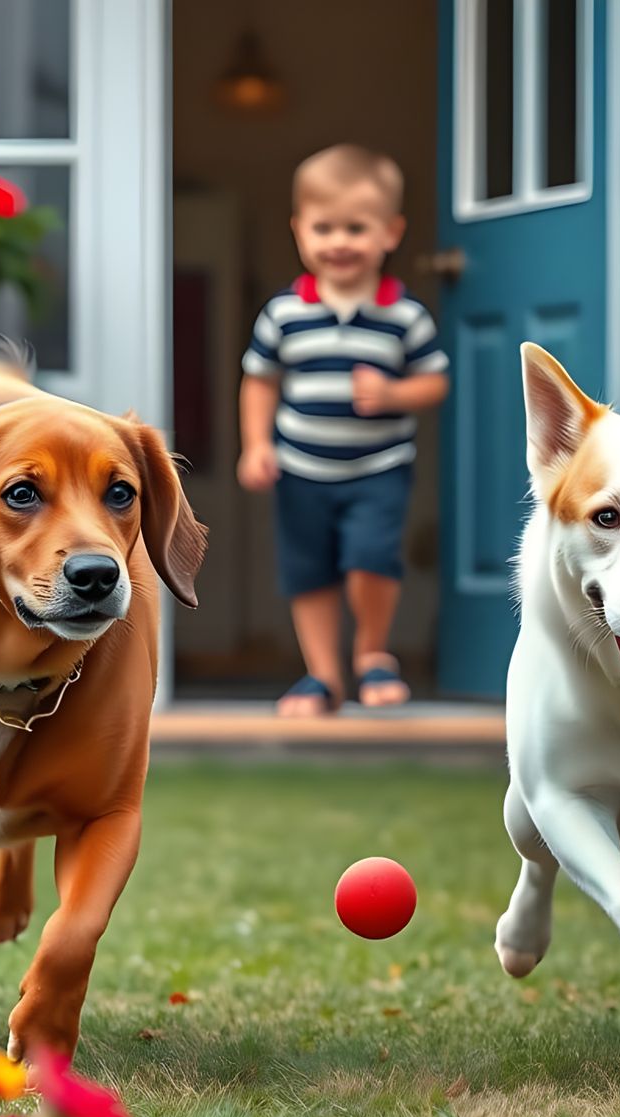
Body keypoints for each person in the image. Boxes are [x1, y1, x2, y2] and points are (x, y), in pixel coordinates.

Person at [237, 144, 449, 716]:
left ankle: (373, 653)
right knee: (308, 571)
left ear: (390, 233)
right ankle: (322, 676)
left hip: (377, 467)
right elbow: (259, 381)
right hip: (301, 468)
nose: (339, 242)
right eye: (323, 227)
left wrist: (394, 394)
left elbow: (435, 382)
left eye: (356, 228)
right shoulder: (284, 313)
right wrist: (256, 445)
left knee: (370, 558)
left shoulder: (404, 315)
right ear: (299, 231)